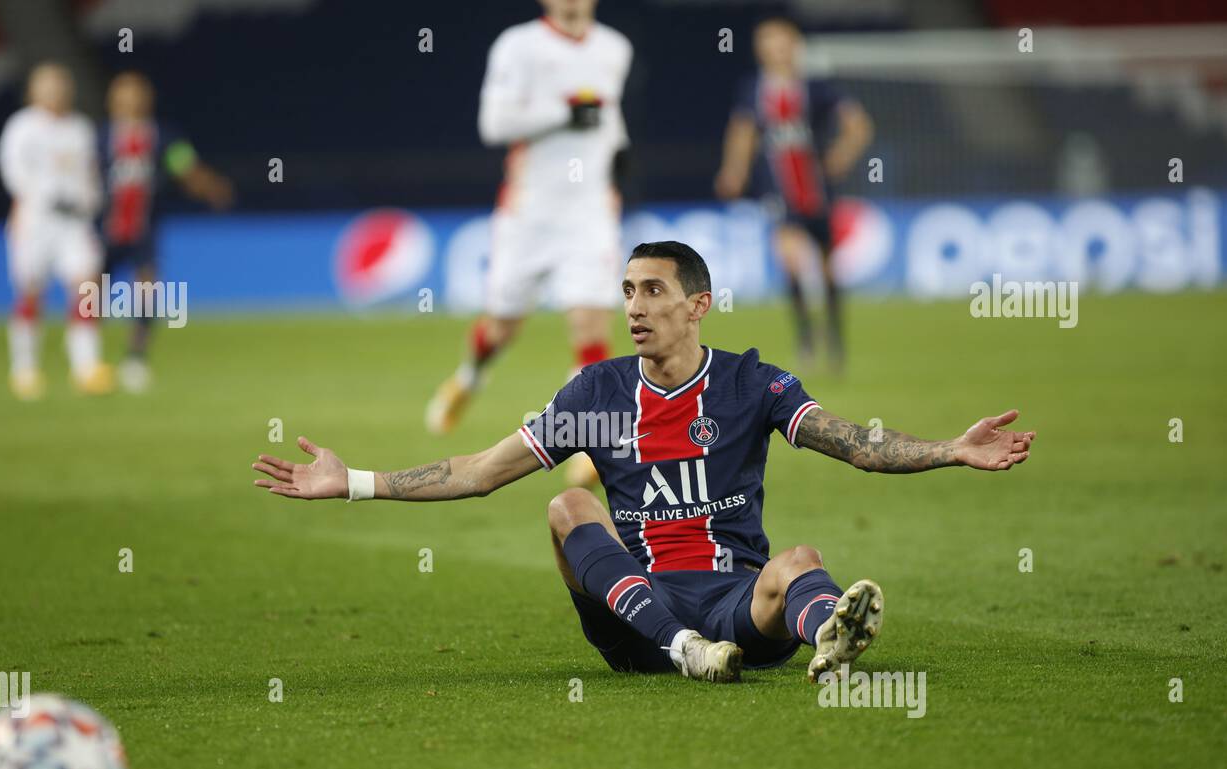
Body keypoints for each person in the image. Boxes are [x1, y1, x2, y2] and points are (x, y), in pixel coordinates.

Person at [255, 241, 1035, 684]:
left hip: (736, 604)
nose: (632, 306)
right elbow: (480, 470)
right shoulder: (596, 391)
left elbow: (857, 445)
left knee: (800, 559)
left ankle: (826, 637)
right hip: (634, 616)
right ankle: (681, 649)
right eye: (626, 290)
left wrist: (951, 450)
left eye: (652, 290)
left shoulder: (752, 383)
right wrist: (352, 481)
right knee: (567, 510)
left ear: (696, 305)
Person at [424, 0, 632, 488]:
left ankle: (587, 441)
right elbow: (493, 124)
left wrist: (618, 174)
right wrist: (563, 112)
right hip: (529, 212)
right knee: (501, 327)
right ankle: (469, 377)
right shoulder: (519, 46)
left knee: (589, 324)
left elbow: (611, 118)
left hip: (589, 212)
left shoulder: (614, 47)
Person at [715, 15, 873, 372]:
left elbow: (858, 123)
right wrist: (734, 170)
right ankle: (806, 340)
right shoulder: (753, 88)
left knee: (827, 267)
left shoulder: (816, 87)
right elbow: (743, 130)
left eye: (779, 42)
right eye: (766, 43)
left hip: (817, 190)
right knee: (789, 261)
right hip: (777, 190)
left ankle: (834, 339)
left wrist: (841, 155)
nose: (773, 50)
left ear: (794, 46)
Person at [101, 71, 233, 392]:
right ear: (113, 100)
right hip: (101, 228)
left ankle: (135, 358)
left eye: (137, 93)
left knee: (147, 291)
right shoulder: (99, 137)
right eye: (124, 93)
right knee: (89, 292)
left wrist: (210, 186)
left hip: (143, 229)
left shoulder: (163, 137)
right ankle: (87, 358)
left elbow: (186, 167)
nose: (131, 100)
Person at [0, 62, 110, 399]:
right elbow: (12, 170)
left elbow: (91, 173)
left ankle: (86, 366)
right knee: (31, 292)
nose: (56, 92)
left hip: (74, 223)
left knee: (87, 287)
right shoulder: (22, 127)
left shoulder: (80, 128)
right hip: (36, 221)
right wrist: (36, 198)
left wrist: (91, 200)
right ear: (34, 91)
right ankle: (25, 369)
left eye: (61, 85)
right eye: (48, 86)